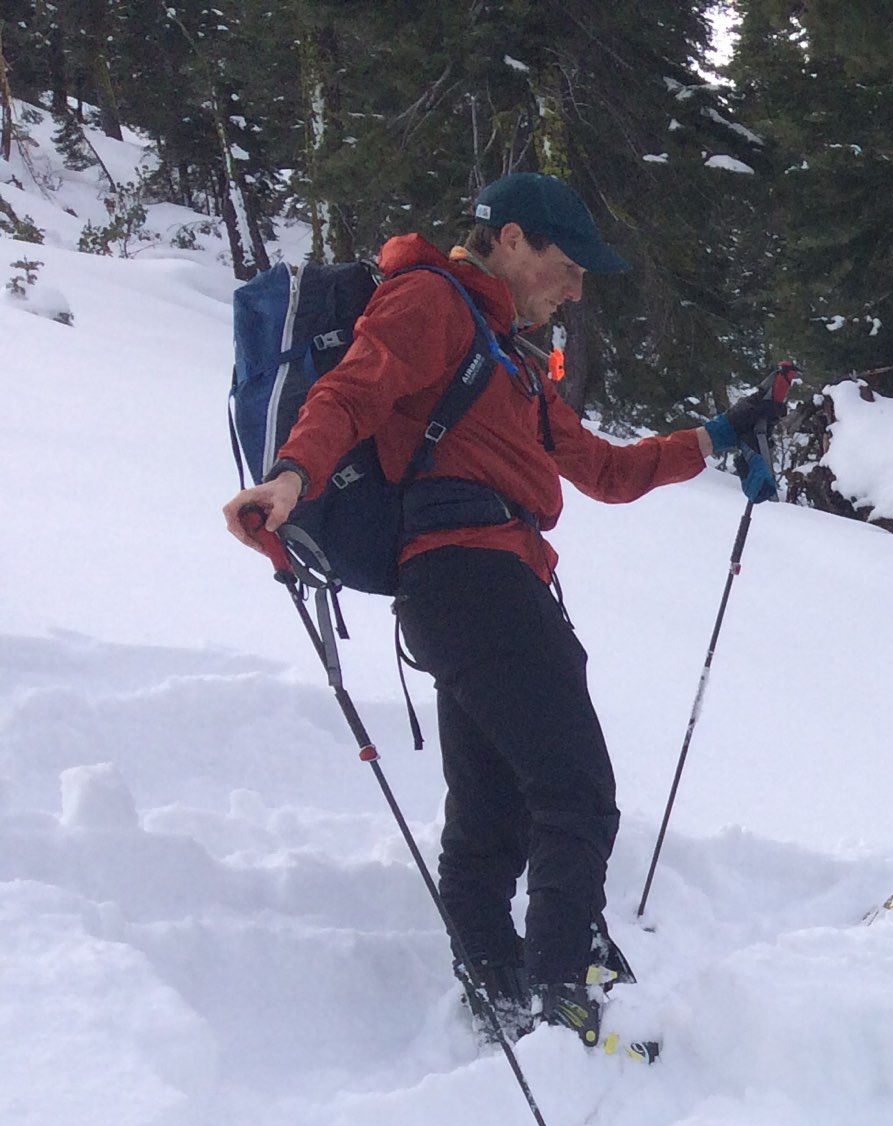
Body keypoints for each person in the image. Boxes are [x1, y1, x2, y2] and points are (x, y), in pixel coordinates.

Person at [221, 172, 783, 1045]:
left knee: (494, 812)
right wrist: (291, 479)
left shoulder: (504, 357)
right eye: (568, 264)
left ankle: (497, 982)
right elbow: (352, 392)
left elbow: (604, 472)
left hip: (474, 590)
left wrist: (719, 434)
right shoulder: (432, 302)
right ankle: (565, 992)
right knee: (577, 793)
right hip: (472, 582)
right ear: (512, 239)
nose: (578, 286)